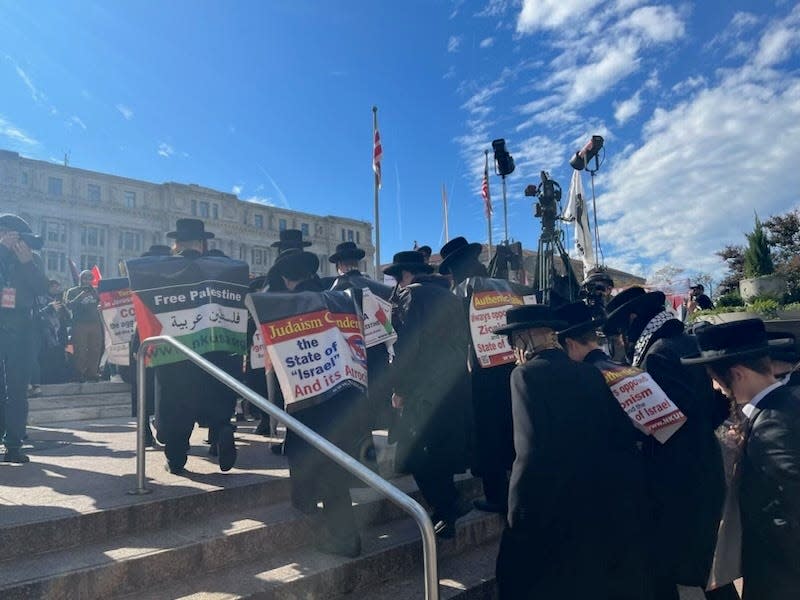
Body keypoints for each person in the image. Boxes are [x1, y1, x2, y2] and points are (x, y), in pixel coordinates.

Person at [493, 304, 630, 598]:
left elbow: (528, 451)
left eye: (511, 340)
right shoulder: (588, 373)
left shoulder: (525, 375)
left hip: (548, 502)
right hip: (590, 497)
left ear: (524, 339)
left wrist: (516, 511)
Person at [603, 286, 730, 600]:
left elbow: (671, 420)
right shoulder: (688, 342)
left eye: (622, 330)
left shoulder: (657, 353)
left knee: (668, 563)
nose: (621, 339)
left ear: (633, 319)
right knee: (710, 566)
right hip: (704, 465)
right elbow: (715, 407)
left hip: (676, 479)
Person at [683, 319, 800, 600]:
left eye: (714, 377)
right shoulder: (787, 402)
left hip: (780, 578)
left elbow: (790, 511)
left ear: (737, 374)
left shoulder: (770, 425)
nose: (714, 387)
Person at [266, 248, 365, 557]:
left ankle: (344, 536)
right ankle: (309, 502)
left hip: (309, 398)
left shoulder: (287, 306)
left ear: (285, 278)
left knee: (316, 456)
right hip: (342, 393)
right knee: (326, 457)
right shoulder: (338, 300)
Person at [554, 300, 652, 598]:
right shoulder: (624, 368)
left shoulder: (585, 377)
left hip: (603, 487)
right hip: (637, 475)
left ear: (569, 343)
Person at [386, 250, 472, 538]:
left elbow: (408, 346)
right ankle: (445, 515)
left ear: (403, 276)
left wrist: (400, 388)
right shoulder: (449, 296)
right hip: (454, 382)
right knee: (440, 450)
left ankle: (449, 504)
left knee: (417, 454)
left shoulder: (411, 296)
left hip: (424, 388)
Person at [155, 219, 239, 474]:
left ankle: (177, 457)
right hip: (214, 347)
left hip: (176, 351)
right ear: (202, 244)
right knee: (213, 393)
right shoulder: (221, 271)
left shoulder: (160, 271)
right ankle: (222, 427)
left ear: (177, 244)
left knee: (176, 402)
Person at [438, 236, 513, 515]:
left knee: (489, 433)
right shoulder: (502, 287)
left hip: (481, 372)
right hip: (511, 364)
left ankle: (497, 495)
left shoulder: (459, 293)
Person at [329, 240, 394, 443]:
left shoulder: (335, 291)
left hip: (349, 357)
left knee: (354, 408)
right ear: (358, 263)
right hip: (378, 356)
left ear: (339, 266)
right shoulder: (381, 289)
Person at [0, 214, 48, 463]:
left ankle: (14, 443)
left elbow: (43, 289)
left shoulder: (32, 258)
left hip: (24, 327)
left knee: (18, 388)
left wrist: (27, 263)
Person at [64, 270, 104, 382]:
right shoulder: (73, 291)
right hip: (79, 323)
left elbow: (102, 303)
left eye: (90, 278)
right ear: (81, 279)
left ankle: (92, 372)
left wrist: (102, 306)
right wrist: (81, 296)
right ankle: (79, 372)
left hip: (95, 323)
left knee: (95, 349)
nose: (87, 281)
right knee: (80, 349)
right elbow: (68, 305)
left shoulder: (96, 291)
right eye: (85, 278)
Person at [38, 279, 70, 384]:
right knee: (47, 357)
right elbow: (39, 314)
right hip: (47, 332)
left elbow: (66, 317)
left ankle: (59, 377)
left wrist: (64, 309)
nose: (55, 288)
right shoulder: (42, 298)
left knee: (59, 356)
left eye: (57, 286)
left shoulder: (59, 299)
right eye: (53, 286)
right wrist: (50, 307)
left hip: (59, 332)